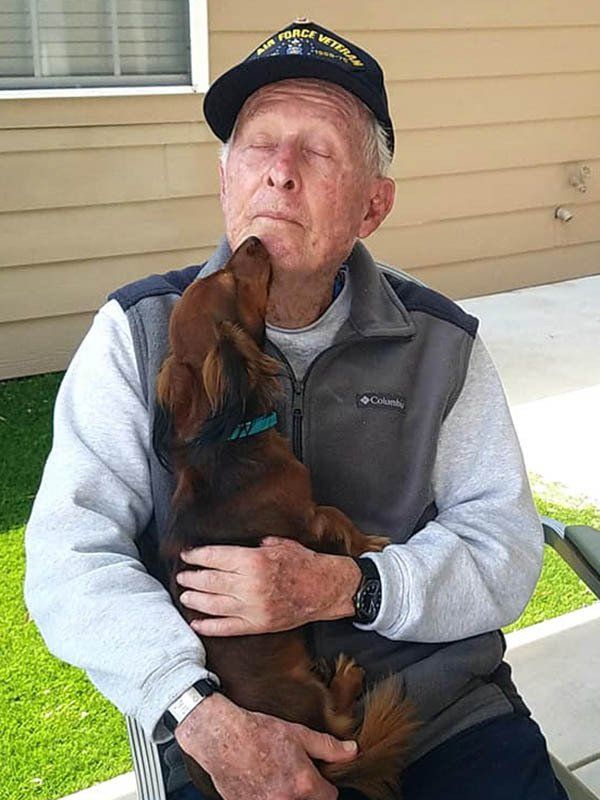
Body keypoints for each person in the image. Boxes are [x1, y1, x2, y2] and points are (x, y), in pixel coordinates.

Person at [24, 19, 567, 800]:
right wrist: (195, 711)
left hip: (439, 714)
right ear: (224, 181)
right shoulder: (139, 334)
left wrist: (351, 585)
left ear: (373, 206)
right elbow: (71, 559)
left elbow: (505, 545)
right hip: (231, 729)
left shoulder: (441, 343)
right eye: (258, 144)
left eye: (317, 150)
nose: (279, 173)